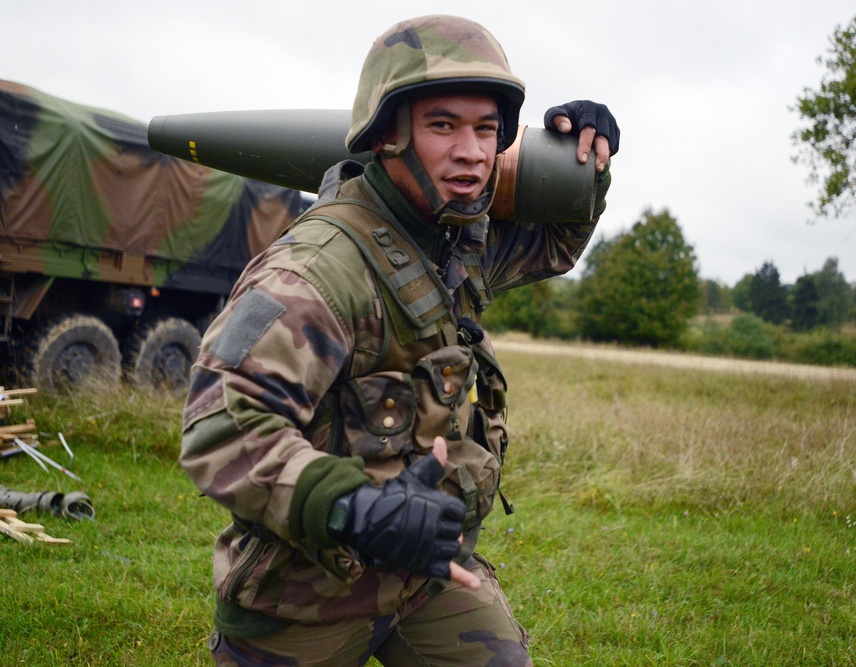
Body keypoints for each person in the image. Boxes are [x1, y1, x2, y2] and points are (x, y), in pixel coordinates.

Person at [179, 14, 619, 667]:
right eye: (443, 125)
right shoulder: (318, 270)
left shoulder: (455, 238)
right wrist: (358, 509)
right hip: (304, 595)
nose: (471, 151)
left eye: (486, 129)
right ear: (387, 134)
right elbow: (220, 425)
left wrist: (588, 161)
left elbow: (554, 242)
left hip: (419, 578)